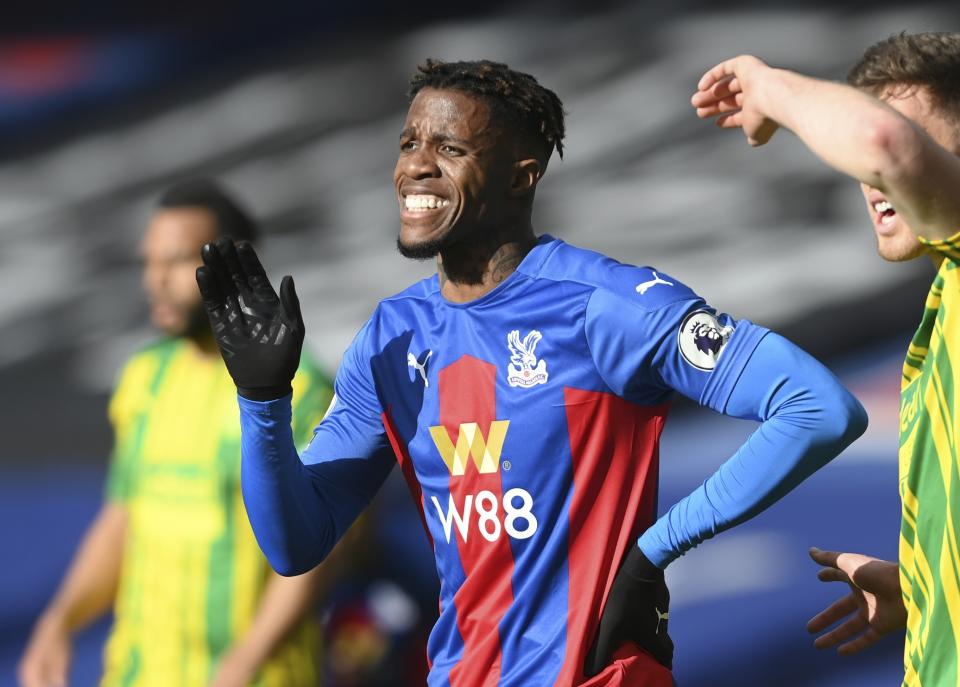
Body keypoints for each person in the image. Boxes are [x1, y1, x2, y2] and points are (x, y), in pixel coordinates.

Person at [196, 59, 867, 686]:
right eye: (408, 145)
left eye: (449, 150)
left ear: (522, 176)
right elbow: (295, 543)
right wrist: (263, 400)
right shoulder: (392, 337)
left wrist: (653, 548)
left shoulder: (604, 306)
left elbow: (816, 406)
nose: (417, 168)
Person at [691, 31, 960, 686]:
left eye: (916, 138)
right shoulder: (943, 309)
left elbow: (883, 143)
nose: (872, 182)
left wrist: (766, 85)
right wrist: (930, 591)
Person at [18, 180, 335, 687]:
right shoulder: (145, 378)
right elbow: (124, 516)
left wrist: (243, 664)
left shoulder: (297, 388)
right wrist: (60, 621)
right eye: (148, 262)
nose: (154, 281)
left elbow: (320, 551)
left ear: (231, 264)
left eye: (174, 262)